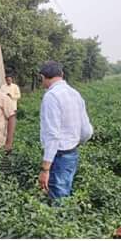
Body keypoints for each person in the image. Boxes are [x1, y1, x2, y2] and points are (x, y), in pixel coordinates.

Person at [37, 61, 93, 200]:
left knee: (58, 200)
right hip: (72, 154)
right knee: (65, 194)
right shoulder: (75, 93)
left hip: (58, 157)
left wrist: (45, 169)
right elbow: (87, 130)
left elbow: (52, 135)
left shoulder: (51, 96)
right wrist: (74, 142)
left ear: (43, 77)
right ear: (61, 75)